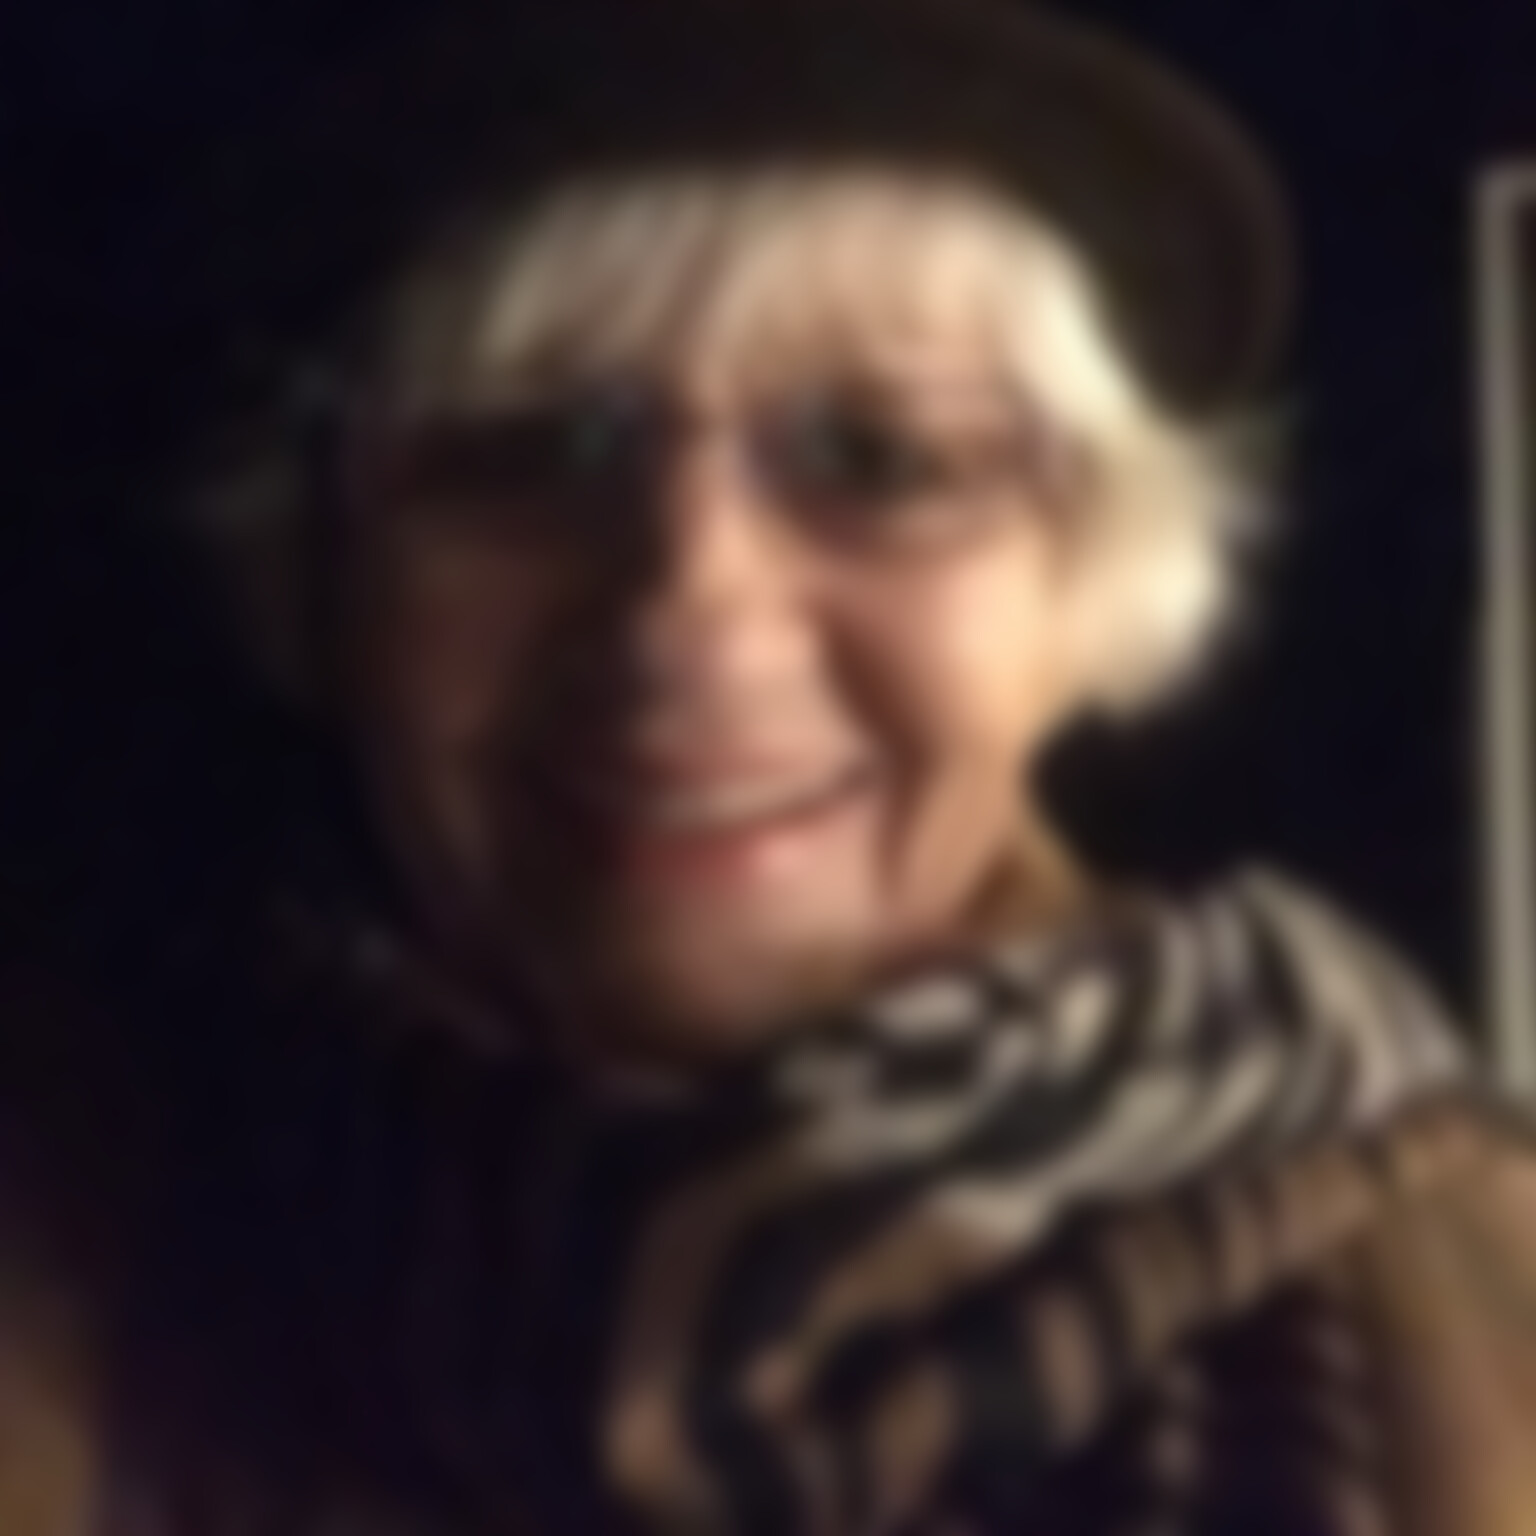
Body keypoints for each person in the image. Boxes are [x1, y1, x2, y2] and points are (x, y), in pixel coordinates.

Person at [6, 0, 1536, 1533]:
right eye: (522, 448)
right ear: (324, 580)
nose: (686, 606)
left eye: (884, 458)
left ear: (1089, 588)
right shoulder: (78, 1203)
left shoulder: (1488, 1298)